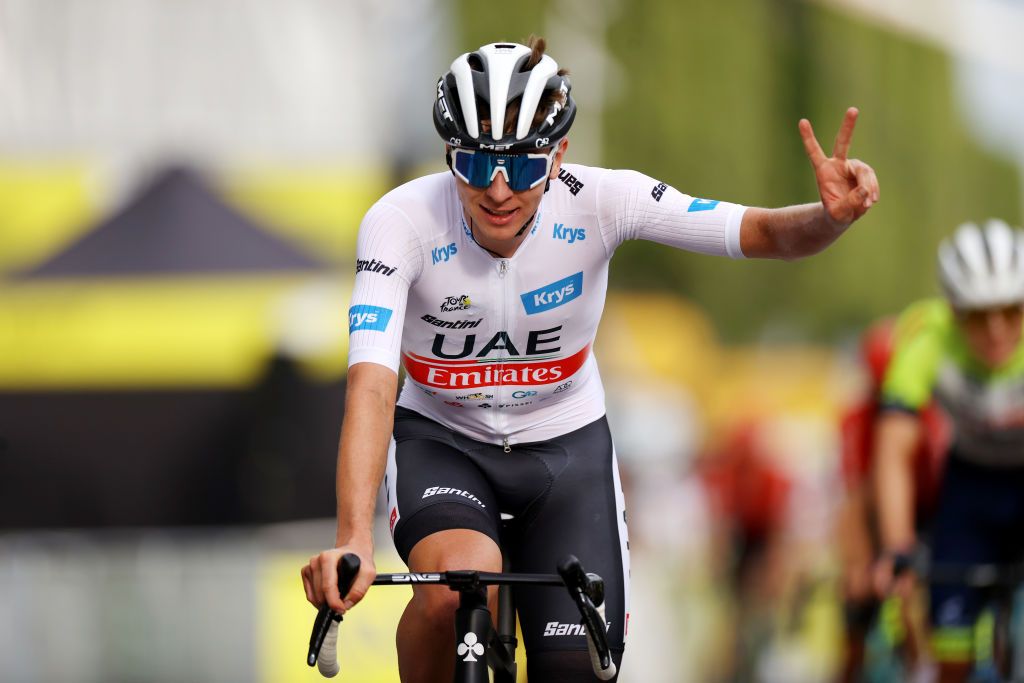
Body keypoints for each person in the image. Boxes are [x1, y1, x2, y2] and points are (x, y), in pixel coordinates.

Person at [300, 37, 879, 681]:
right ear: (448, 156)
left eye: (521, 168)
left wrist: (829, 220)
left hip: (564, 446)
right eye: (475, 164)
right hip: (446, 438)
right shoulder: (399, 221)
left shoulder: (605, 200)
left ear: (559, 156)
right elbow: (373, 386)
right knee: (456, 589)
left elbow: (762, 232)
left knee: (575, 667)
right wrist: (353, 536)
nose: (497, 190)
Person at [873, 219, 1024, 683]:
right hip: (969, 486)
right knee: (952, 652)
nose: (997, 331)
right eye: (979, 315)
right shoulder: (926, 336)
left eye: (1012, 312)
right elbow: (894, 451)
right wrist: (897, 545)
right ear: (953, 311)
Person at [836, 318, 950, 682]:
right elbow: (855, 498)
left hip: (931, 515)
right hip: (877, 520)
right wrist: (857, 565)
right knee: (855, 612)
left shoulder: (931, 411)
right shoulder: (855, 420)